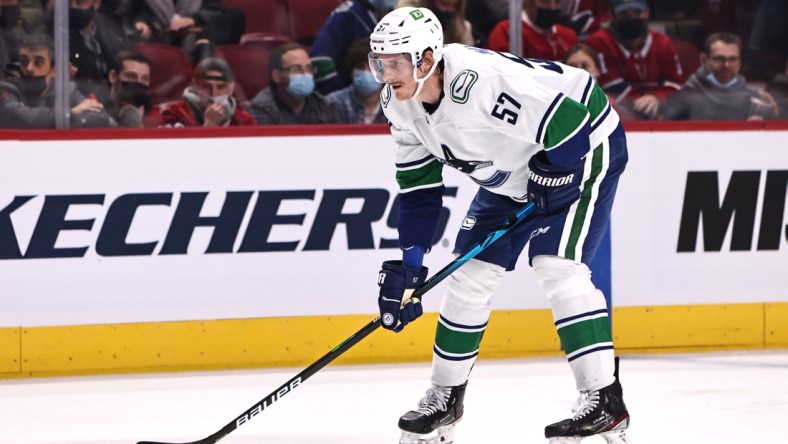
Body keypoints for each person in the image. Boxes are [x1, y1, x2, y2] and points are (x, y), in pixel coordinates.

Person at [369, 6, 631, 444]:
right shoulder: (397, 104)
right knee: (468, 278)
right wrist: (411, 264)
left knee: (556, 265)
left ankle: (604, 400)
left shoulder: (477, 85)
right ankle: (445, 397)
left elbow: (569, 122)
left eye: (396, 62)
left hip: (583, 143)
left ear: (427, 59)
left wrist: (555, 171)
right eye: (380, 63)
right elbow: (418, 188)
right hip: (512, 169)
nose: (386, 73)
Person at [586, 0, 683, 120]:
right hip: (619, 113)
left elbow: (675, 83)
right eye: (624, 14)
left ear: (646, 12)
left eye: (637, 13)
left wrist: (657, 98)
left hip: (661, 110)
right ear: (612, 14)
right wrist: (642, 103)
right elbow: (611, 86)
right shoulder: (600, 42)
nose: (631, 19)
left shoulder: (663, 42)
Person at [0, 33, 113, 128]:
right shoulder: (6, 88)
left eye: (38, 63)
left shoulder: (66, 90)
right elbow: (16, 116)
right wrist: (71, 113)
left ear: (54, 70)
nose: (29, 68)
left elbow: (100, 118)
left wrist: (62, 120)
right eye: (24, 61)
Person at [663, 33, 778, 121]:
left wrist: (771, 117)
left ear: (740, 62)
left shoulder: (755, 100)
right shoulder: (683, 97)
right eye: (719, 59)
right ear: (704, 60)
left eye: (733, 59)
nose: (727, 65)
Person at [310, 0, 396, 95]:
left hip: (387, 98)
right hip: (348, 96)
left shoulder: (400, 19)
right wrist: (339, 96)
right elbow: (320, 62)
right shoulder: (347, 14)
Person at [148, 56, 256, 127]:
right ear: (195, 85)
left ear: (232, 88)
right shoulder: (171, 113)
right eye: (206, 86)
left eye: (221, 87)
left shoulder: (245, 121)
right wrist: (209, 125)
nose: (214, 94)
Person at [247, 42, 338, 125]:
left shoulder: (322, 104)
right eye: (296, 69)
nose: (305, 74)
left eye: (308, 68)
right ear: (276, 76)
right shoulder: (262, 108)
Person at [68, 0, 132, 103]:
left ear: (96, 3)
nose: (73, 7)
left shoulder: (111, 27)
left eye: (79, 3)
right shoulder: (60, 36)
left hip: (117, 99)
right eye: (70, 3)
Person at [487, 0, 578, 61]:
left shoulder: (569, 35)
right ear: (527, 3)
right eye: (545, 1)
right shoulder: (506, 31)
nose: (552, 7)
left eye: (557, 2)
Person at [326, 38, 386, 124]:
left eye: (372, 68)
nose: (366, 72)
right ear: (352, 72)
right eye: (361, 67)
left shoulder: (397, 106)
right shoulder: (332, 103)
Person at [106, 50, 153, 127]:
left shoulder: (152, 113)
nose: (138, 82)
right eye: (131, 76)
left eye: (145, 78)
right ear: (113, 77)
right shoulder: (101, 114)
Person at [396, 0, 474, 46]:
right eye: (445, 4)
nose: (451, 9)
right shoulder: (408, 16)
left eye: (455, 6)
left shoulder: (463, 27)